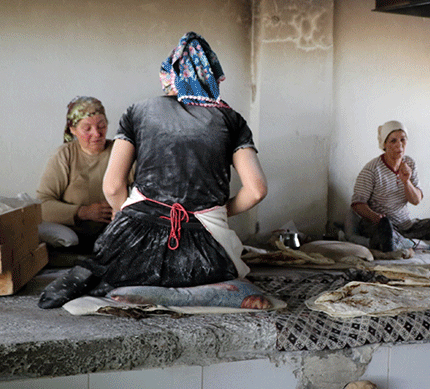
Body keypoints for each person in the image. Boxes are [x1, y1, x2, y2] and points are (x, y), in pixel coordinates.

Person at [39, 32, 269, 310]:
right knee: (222, 273)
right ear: (213, 75)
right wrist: (216, 212)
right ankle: (185, 291)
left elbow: (112, 187)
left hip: (132, 239)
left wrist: (129, 216)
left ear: (167, 76)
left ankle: (111, 279)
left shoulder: (138, 111)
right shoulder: (231, 119)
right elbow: (257, 190)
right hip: (205, 244)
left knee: (107, 264)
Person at [348, 121, 430, 253]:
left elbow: (416, 200)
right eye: (393, 141)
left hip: (406, 226)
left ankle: (401, 241)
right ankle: (396, 241)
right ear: (384, 144)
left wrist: (406, 181)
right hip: (380, 225)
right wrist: (376, 217)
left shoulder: (410, 163)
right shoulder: (372, 170)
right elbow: (357, 204)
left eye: (403, 140)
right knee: (385, 231)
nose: (399, 145)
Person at [36, 96, 116, 254]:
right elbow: (42, 205)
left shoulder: (119, 151)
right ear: (73, 130)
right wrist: (83, 212)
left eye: (101, 126)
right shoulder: (65, 155)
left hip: (113, 236)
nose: (97, 133)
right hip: (73, 241)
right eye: (87, 128)